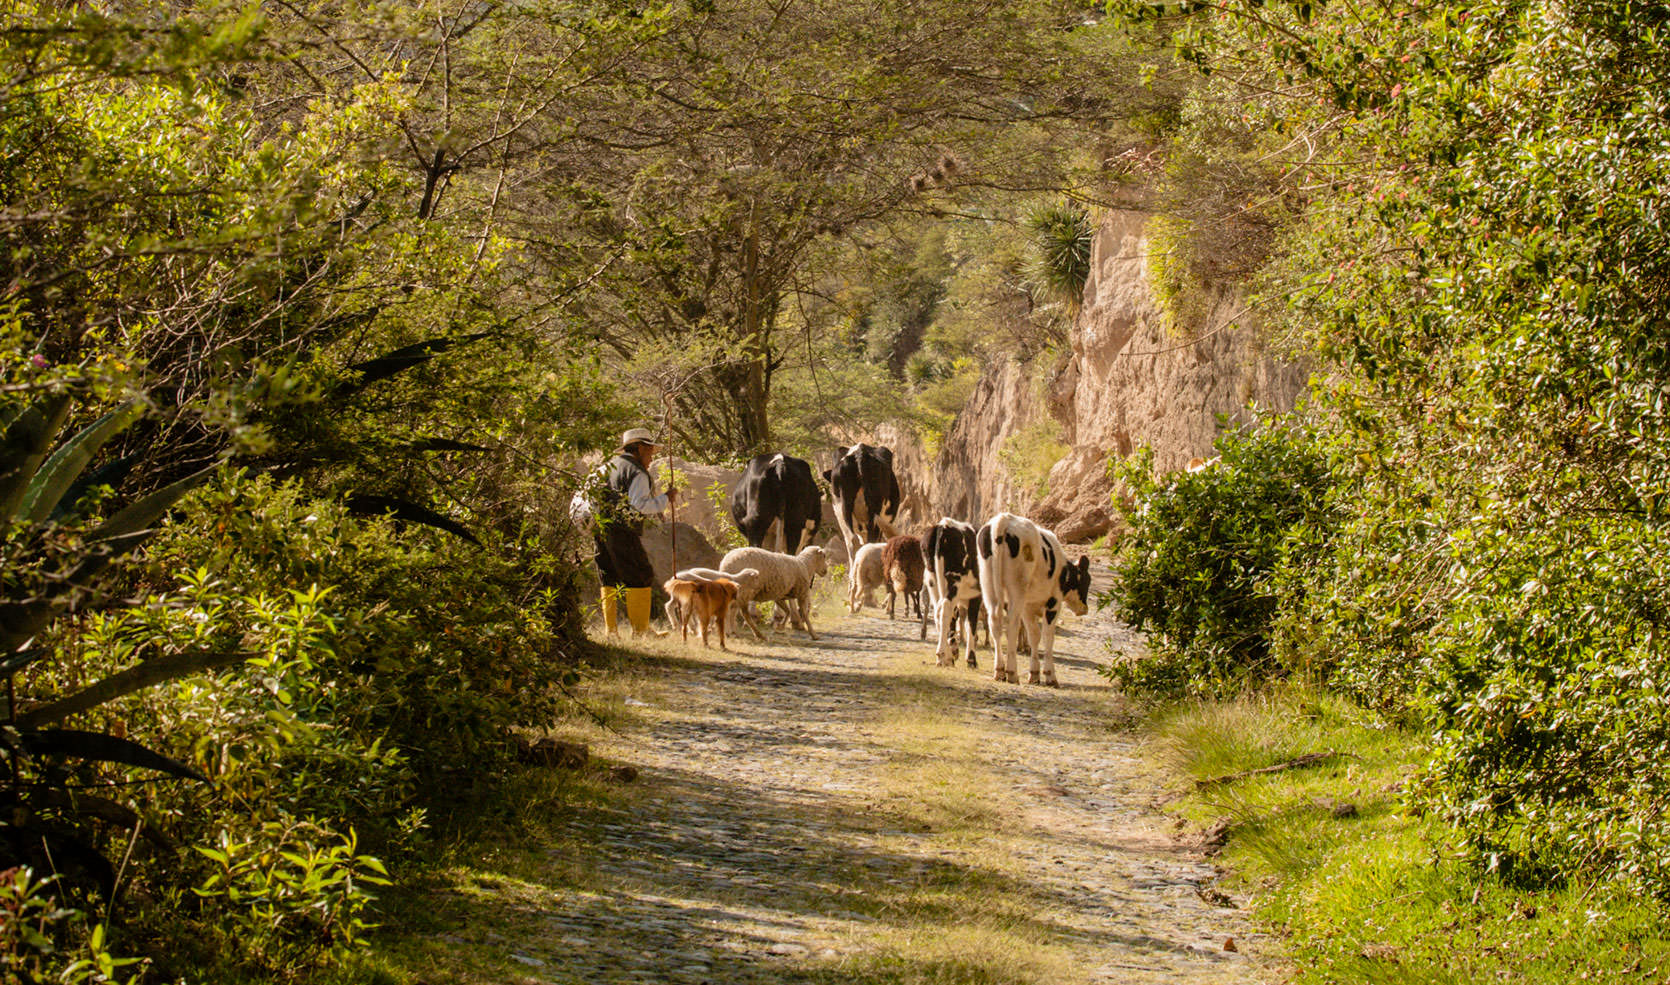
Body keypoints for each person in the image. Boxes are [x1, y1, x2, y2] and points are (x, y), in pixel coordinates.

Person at [573, 428, 679, 636]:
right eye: (649, 452)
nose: (650, 459)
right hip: (623, 531)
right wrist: (666, 498)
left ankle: (610, 630)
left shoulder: (605, 469)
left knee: (608, 576)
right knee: (640, 575)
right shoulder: (637, 472)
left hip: (600, 529)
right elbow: (639, 505)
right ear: (639, 449)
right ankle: (641, 631)